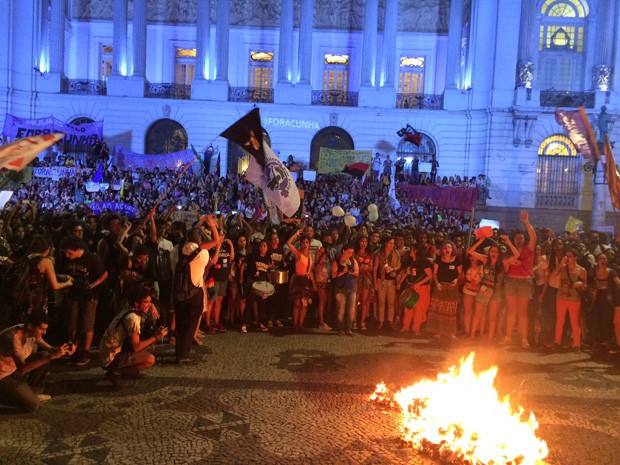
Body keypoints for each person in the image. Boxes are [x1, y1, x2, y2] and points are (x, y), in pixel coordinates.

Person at [0, 310, 75, 412]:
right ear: (30, 326)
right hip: (3, 375)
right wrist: (51, 356)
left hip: (13, 370)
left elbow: (51, 349)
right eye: (41, 329)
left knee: (44, 355)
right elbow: (22, 369)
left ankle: (33, 392)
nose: (44, 332)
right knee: (32, 405)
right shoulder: (14, 338)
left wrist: (65, 349)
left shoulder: (30, 333)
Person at [172, 216, 219, 364]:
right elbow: (215, 245)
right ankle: (183, 355)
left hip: (178, 290)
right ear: (199, 240)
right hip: (194, 291)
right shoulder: (202, 253)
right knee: (190, 324)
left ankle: (178, 352)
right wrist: (213, 227)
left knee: (180, 323)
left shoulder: (176, 250)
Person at [99, 286, 167, 387]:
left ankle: (127, 371)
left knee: (143, 349)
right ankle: (115, 373)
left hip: (108, 351)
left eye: (150, 302)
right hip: (110, 357)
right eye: (146, 302)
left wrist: (151, 305)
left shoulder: (128, 308)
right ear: (136, 303)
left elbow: (148, 308)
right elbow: (136, 347)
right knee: (150, 359)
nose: (149, 305)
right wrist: (156, 336)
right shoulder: (132, 319)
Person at [56, 236, 108, 366]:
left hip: (90, 296)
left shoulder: (91, 258)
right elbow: (58, 272)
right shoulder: (64, 259)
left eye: (69, 253)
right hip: (72, 294)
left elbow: (104, 275)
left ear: (78, 249)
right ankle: (71, 348)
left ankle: (85, 351)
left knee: (87, 323)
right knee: (71, 323)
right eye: (65, 253)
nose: (67, 255)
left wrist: (91, 285)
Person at [502, 210, 536, 348]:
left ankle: (524, 338)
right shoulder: (509, 251)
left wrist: (526, 222)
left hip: (524, 282)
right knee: (511, 311)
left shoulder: (529, 249)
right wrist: (510, 262)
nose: (519, 240)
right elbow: (504, 263)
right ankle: (508, 337)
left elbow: (534, 237)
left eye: (521, 238)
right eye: (517, 238)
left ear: (524, 239)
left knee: (522, 312)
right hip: (511, 280)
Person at [550, 247, 587, 353]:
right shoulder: (563, 267)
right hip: (561, 297)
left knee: (574, 322)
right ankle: (557, 342)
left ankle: (576, 344)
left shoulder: (581, 270)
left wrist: (581, 284)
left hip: (574, 299)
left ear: (575, 257)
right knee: (559, 321)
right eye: (566, 256)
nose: (567, 258)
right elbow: (553, 276)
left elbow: (585, 286)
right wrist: (561, 263)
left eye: (570, 256)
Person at [426, 240, 462, 338]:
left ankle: (450, 332)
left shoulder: (456, 260)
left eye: (449, 247)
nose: (447, 249)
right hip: (440, 287)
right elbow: (434, 273)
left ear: (452, 249)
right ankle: (439, 331)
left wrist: (456, 279)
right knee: (439, 310)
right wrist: (437, 283)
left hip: (452, 288)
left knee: (451, 311)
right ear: (442, 249)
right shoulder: (438, 259)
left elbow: (460, 274)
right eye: (445, 247)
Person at [397, 243, 432, 336]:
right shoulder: (411, 261)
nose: (410, 251)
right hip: (411, 287)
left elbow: (430, 275)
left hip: (422, 288)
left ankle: (416, 329)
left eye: (412, 249)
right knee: (408, 307)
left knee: (419, 309)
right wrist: (399, 282)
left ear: (416, 251)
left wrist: (418, 284)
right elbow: (406, 272)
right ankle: (405, 326)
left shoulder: (425, 262)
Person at [287, 229, 316, 332]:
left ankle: (300, 324)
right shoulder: (298, 254)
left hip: (306, 280)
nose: (305, 244)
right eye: (303, 242)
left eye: (307, 242)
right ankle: (295, 325)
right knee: (297, 303)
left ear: (309, 244)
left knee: (304, 304)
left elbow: (310, 271)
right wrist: (296, 233)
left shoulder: (311, 256)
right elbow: (288, 243)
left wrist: (313, 283)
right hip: (298, 280)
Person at [373, 236, 401, 330]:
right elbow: (375, 269)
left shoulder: (395, 253)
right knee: (381, 301)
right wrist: (375, 282)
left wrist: (392, 268)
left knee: (391, 302)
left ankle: (390, 321)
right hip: (381, 280)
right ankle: (380, 321)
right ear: (385, 243)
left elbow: (399, 265)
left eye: (393, 243)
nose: (392, 245)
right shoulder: (379, 254)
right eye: (390, 243)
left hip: (392, 280)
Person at [331, 243, 359, 336]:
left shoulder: (353, 260)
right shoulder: (337, 261)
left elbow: (357, 272)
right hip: (340, 288)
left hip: (351, 288)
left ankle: (348, 329)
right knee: (341, 309)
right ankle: (340, 328)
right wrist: (343, 272)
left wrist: (352, 273)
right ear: (343, 251)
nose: (350, 254)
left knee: (351, 309)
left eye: (351, 253)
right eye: (348, 252)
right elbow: (333, 275)